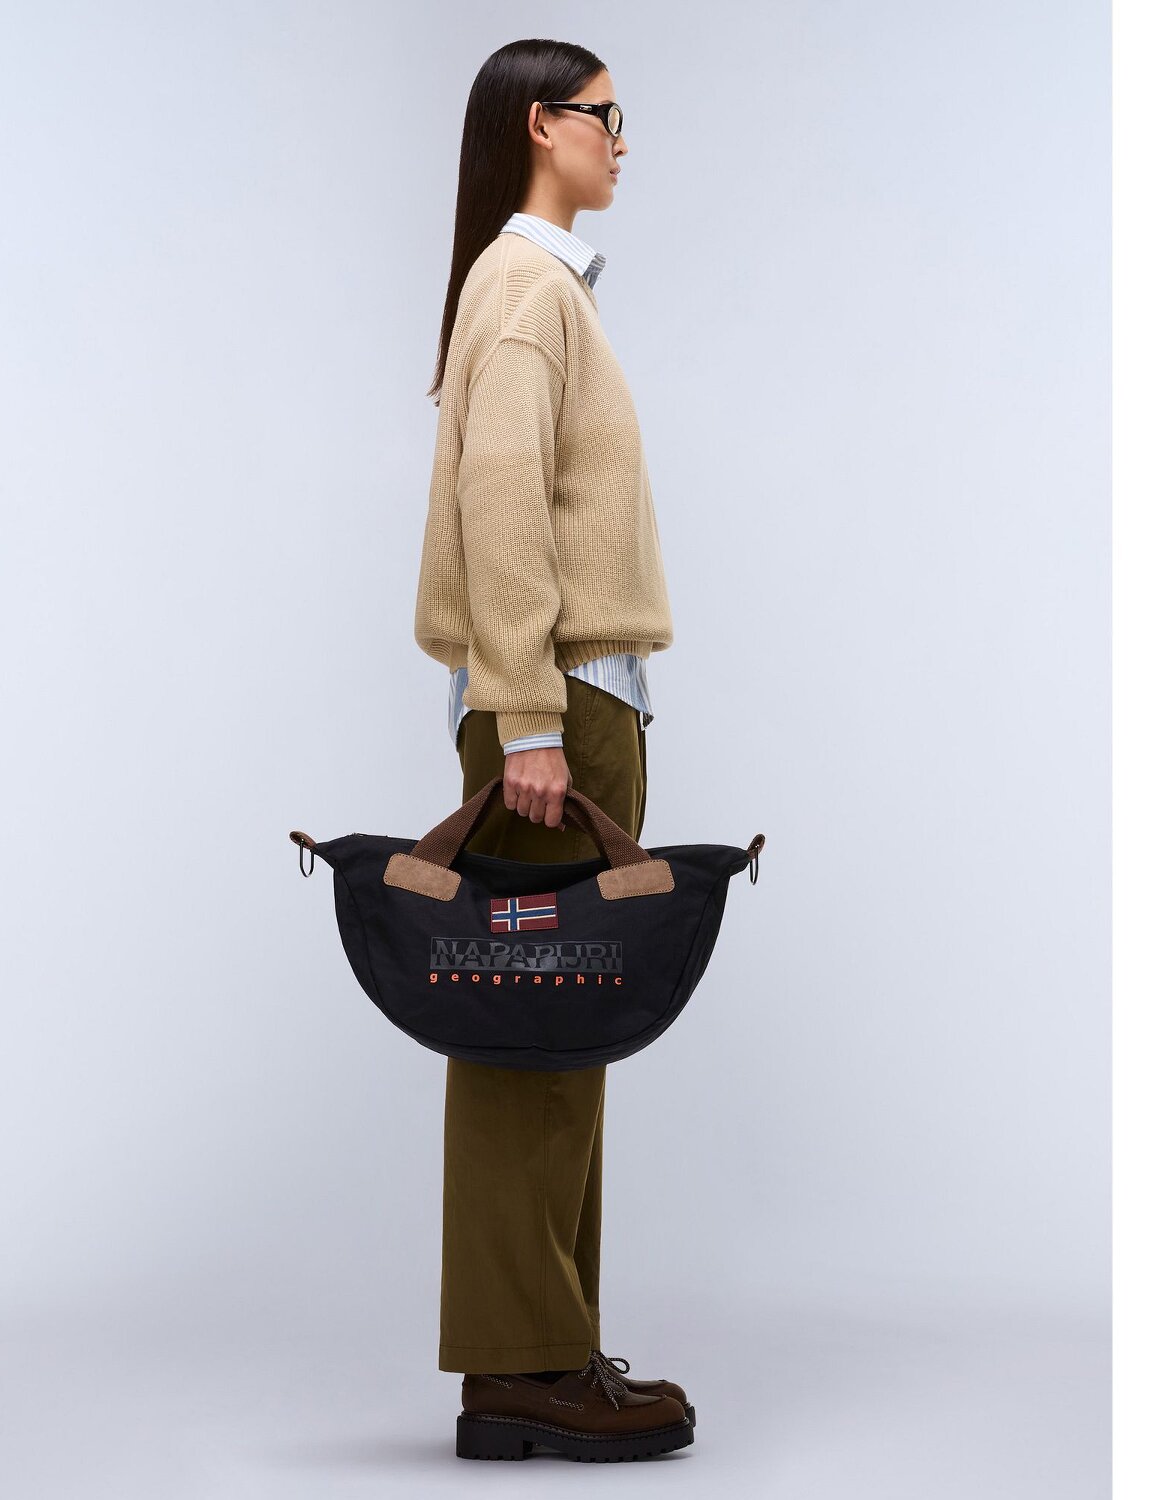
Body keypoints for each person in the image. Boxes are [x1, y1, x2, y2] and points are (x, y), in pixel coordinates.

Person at [413, 39, 693, 1463]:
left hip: (572, 706)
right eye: (605, 116)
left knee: (558, 1027)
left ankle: (546, 1349)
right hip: (558, 715)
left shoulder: (534, 287)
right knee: (533, 1032)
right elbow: (503, 500)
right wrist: (528, 716)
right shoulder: (527, 289)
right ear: (543, 124)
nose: (621, 141)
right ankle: (523, 1369)